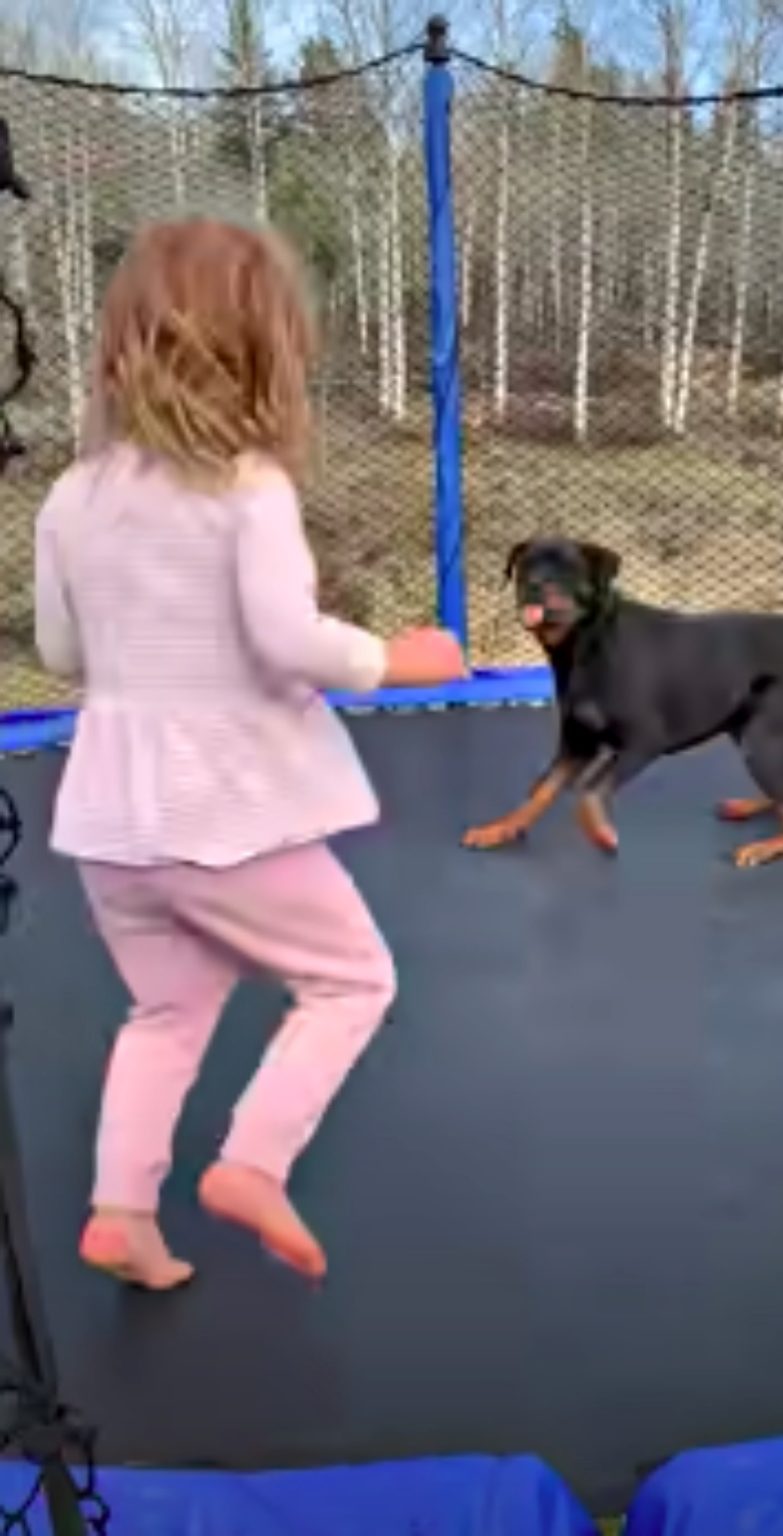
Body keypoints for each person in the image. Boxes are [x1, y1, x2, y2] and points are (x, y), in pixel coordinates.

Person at [33, 216, 466, 1290]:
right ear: (269, 349)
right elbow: (285, 640)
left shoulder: (69, 496)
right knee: (351, 980)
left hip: (107, 821)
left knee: (168, 1007)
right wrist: (399, 660)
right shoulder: (246, 484)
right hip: (217, 815)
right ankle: (252, 1164)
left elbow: (60, 648)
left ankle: (121, 1214)